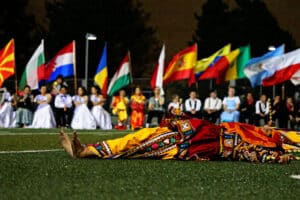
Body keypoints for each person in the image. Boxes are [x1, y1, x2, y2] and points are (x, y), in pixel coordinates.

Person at [60, 112, 296, 164]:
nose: (266, 129)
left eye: (268, 132)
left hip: (185, 143)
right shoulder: (243, 129)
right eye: (266, 128)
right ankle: (87, 150)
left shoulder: (246, 143)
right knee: (136, 139)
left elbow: (249, 153)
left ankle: (86, 151)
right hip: (187, 133)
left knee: (137, 145)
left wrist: (275, 158)